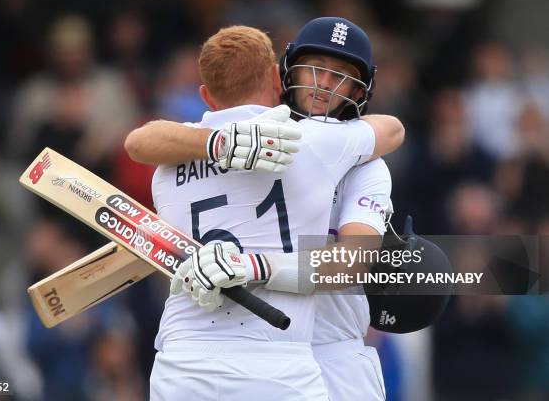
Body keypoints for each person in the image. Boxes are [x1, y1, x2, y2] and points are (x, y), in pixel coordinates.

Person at [126, 23, 403, 400]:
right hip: (276, 354)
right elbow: (141, 141)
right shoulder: (225, 141)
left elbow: (351, 263)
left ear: (359, 90)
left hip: (332, 350)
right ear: (282, 73)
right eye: (315, 68)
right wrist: (218, 142)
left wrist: (254, 265)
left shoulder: (362, 161)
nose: (324, 85)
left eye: (342, 77)